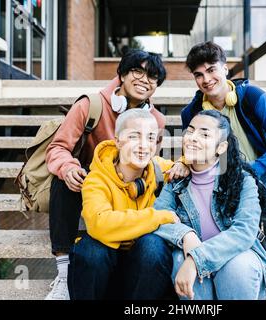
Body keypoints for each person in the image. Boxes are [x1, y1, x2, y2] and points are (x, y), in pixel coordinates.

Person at [44, 50, 188, 300]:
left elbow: (153, 160)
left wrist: (184, 161)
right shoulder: (90, 104)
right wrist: (68, 168)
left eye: (153, 77)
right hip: (90, 179)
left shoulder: (156, 119)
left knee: (152, 248)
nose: (145, 79)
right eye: (137, 71)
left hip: (130, 183)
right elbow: (58, 148)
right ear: (121, 74)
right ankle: (64, 271)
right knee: (63, 181)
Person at [154, 110, 266, 300]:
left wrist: (197, 258)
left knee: (237, 266)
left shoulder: (241, 181)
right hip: (193, 263)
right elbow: (158, 216)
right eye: (190, 131)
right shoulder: (176, 180)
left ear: (221, 147)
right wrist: (186, 235)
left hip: (236, 261)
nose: (193, 138)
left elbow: (244, 231)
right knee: (179, 258)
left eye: (204, 134)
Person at [68, 109, 189, 300]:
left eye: (150, 138)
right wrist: (159, 216)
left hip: (145, 273)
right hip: (106, 267)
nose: (143, 145)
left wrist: (184, 162)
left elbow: (196, 161)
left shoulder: (160, 169)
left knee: (153, 246)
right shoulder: (96, 179)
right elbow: (100, 224)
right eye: (134, 136)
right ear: (117, 141)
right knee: (90, 250)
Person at [182, 41, 266, 204]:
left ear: (225, 69)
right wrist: (183, 163)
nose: (206, 79)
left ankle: (254, 210)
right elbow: (191, 154)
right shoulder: (192, 113)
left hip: (259, 173)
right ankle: (249, 211)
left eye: (211, 70)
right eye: (198, 75)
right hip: (219, 180)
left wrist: (255, 169)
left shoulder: (253, 96)